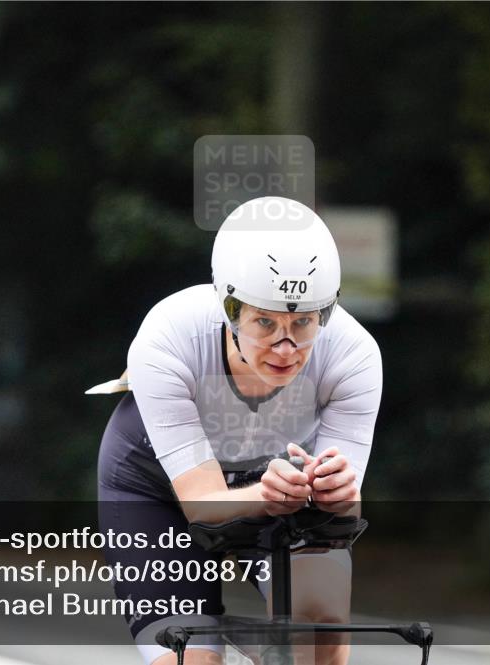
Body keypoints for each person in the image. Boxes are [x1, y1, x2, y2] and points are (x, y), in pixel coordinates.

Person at [97, 196, 383, 665]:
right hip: (156, 486)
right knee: (190, 658)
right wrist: (267, 494)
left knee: (321, 630)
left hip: (278, 483)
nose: (286, 346)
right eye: (265, 322)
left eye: (304, 322)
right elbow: (202, 506)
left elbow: (342, 513)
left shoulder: (354, 356)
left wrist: (337, 492)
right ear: (229, 310)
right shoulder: (168, 337)